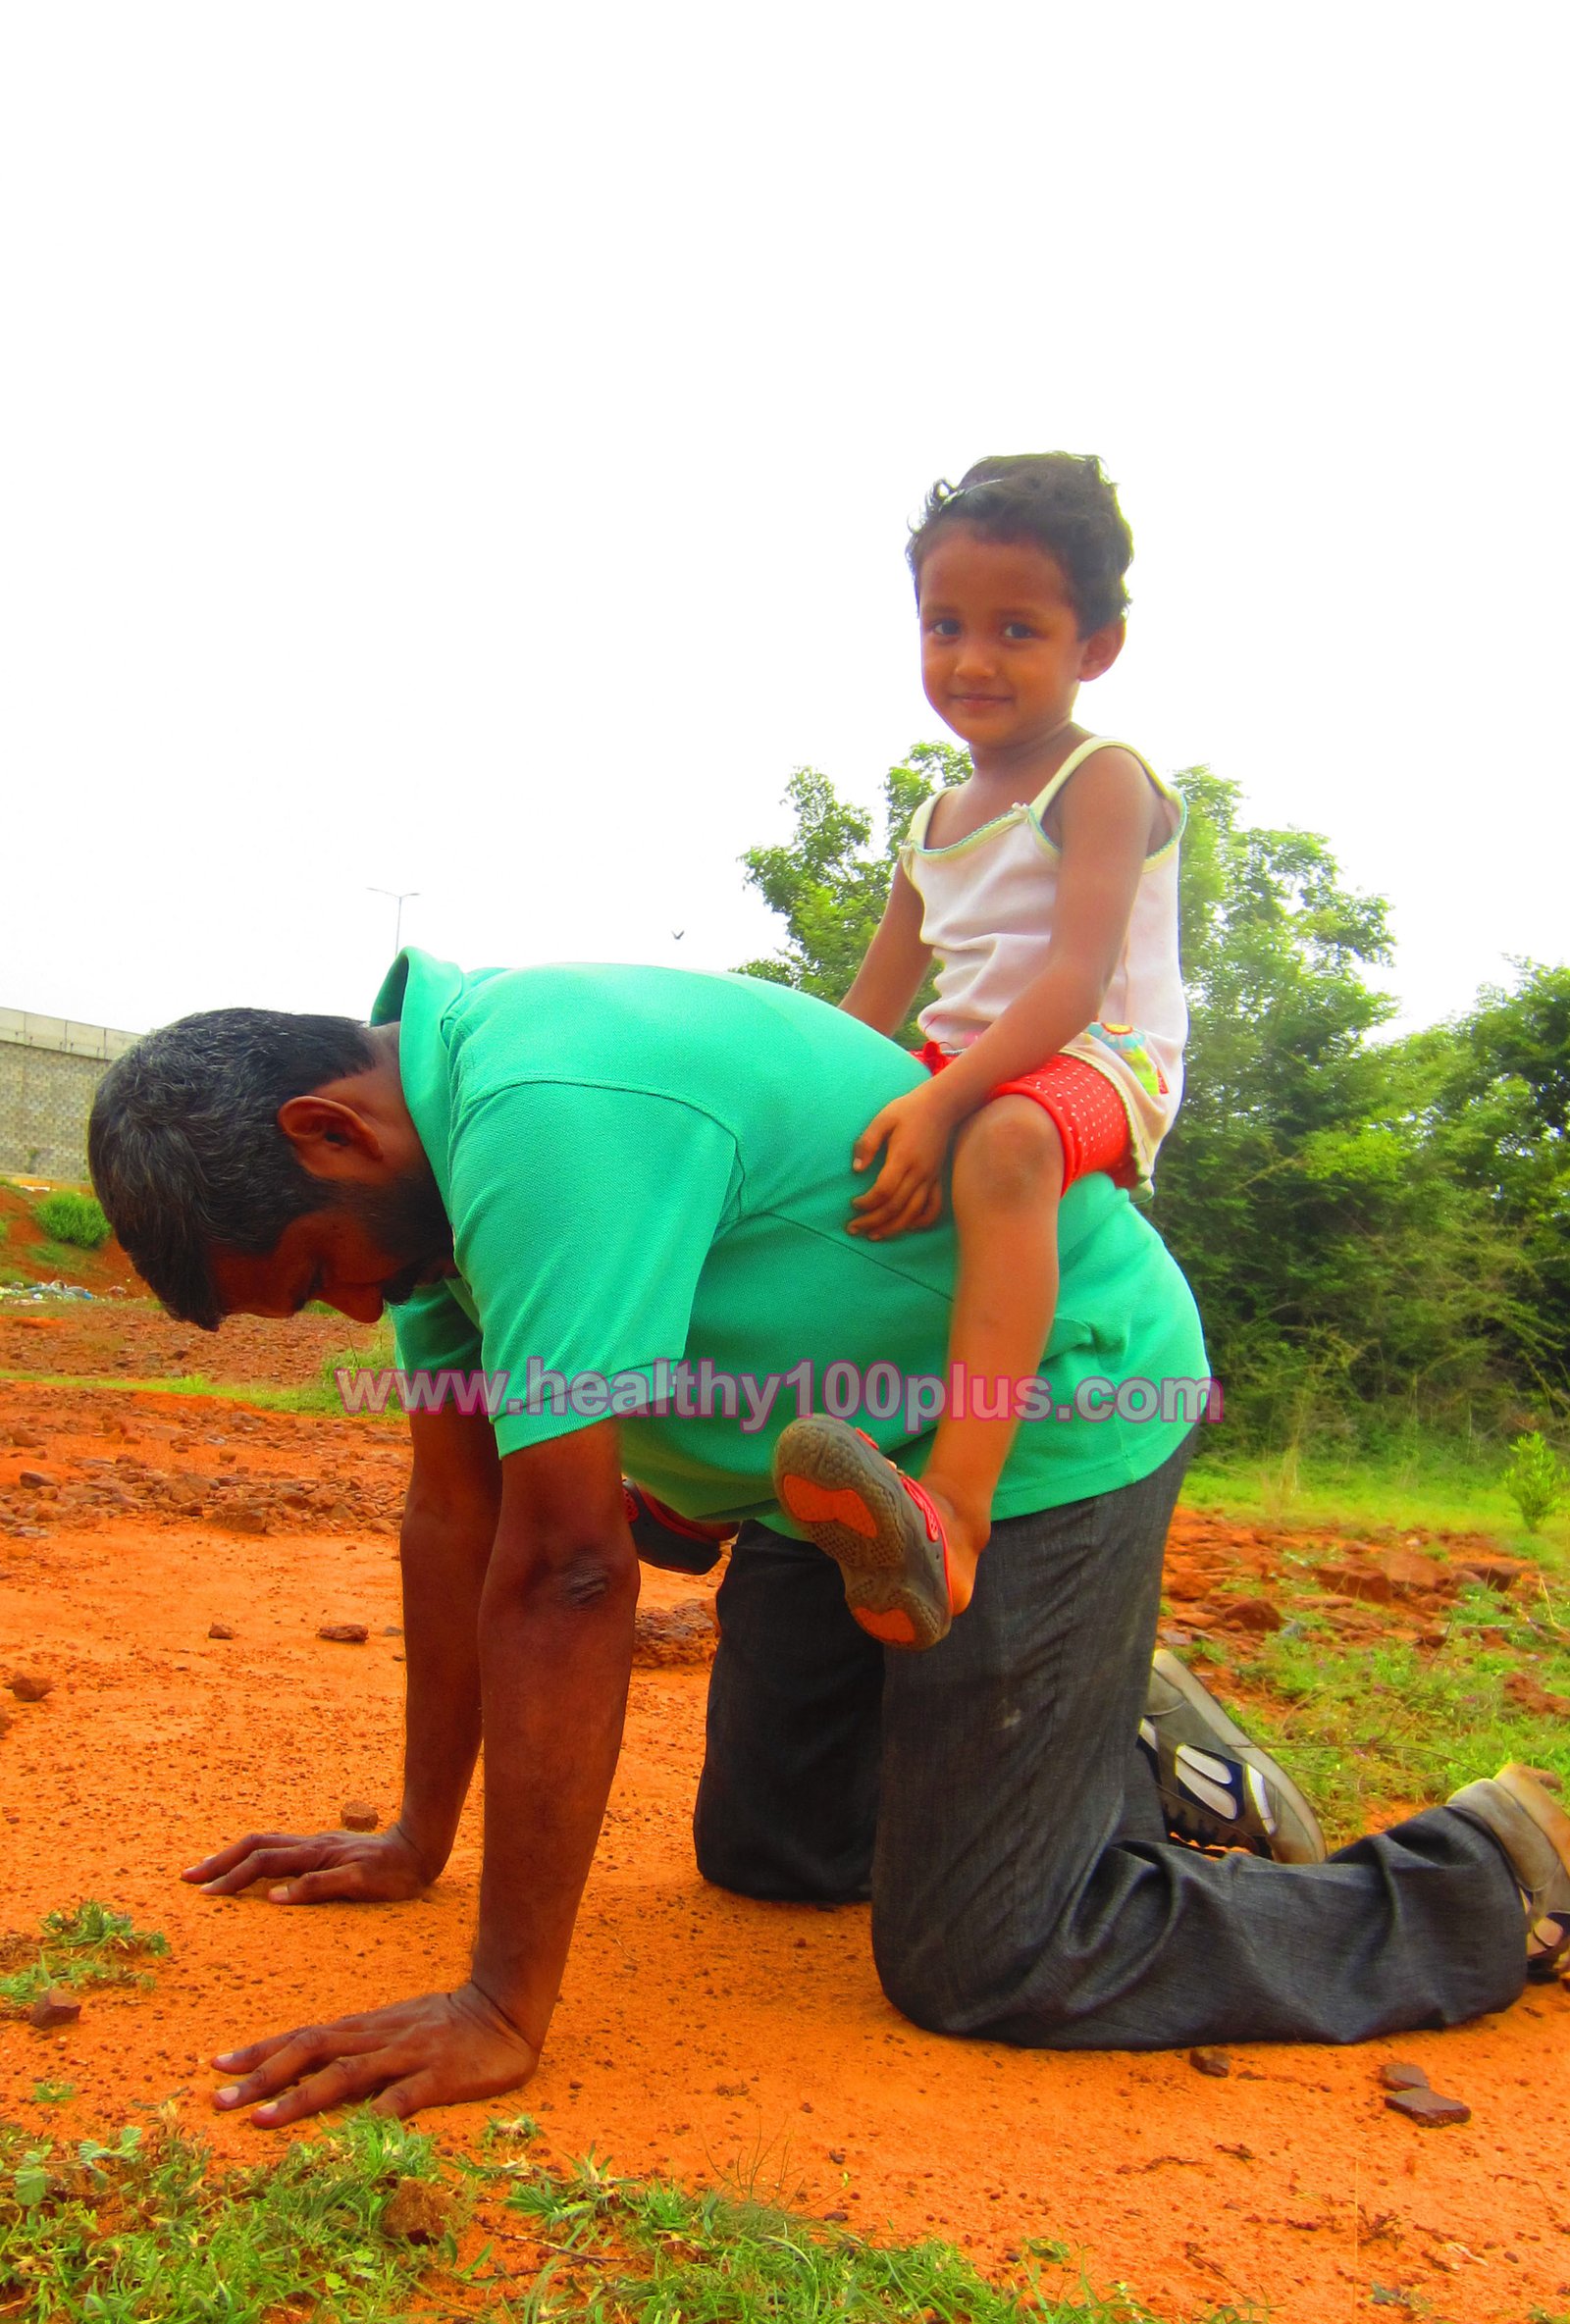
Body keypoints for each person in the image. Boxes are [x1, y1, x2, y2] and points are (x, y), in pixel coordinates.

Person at [85, 954, 1570, 2128]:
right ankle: (1118, 1744)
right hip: (838, 1482)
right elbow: (453, 1516)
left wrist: (501, 2001)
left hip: (1044, 1410)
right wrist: (417, 1838)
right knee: (772, 1849)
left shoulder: (540, 1109)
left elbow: (572, 1565)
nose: (351, 1312)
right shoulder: (430, 1191)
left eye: (320, 1272)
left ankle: (1479, 1880)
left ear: (331, 1129)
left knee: (991, 1952)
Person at [774, 453, 1185, 1649]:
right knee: (826, 1150)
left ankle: (954, 1510)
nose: (971, 660)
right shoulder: (929, 824)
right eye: (945, 625)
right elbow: (867, 1010)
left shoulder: (1098, 778)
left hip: (1100, 1054)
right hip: (965, 1056)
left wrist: (949, 1102)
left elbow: (1070, 978)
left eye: (1017, 628)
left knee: (1002, 1144)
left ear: (1093, 646)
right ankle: (704, 1471)